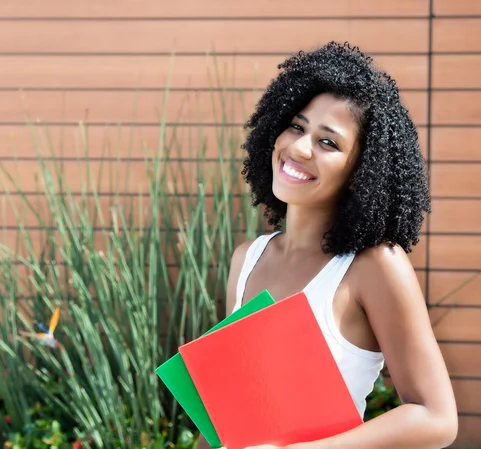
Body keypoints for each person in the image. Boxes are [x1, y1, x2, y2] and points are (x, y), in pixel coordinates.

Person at [195, 41, 458, 449]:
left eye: (328, 143)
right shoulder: (247, 259)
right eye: (297, 127)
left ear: (360, 172)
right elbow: (229, 412)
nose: (299, 148)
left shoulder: (374, 266)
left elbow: (436, 419)